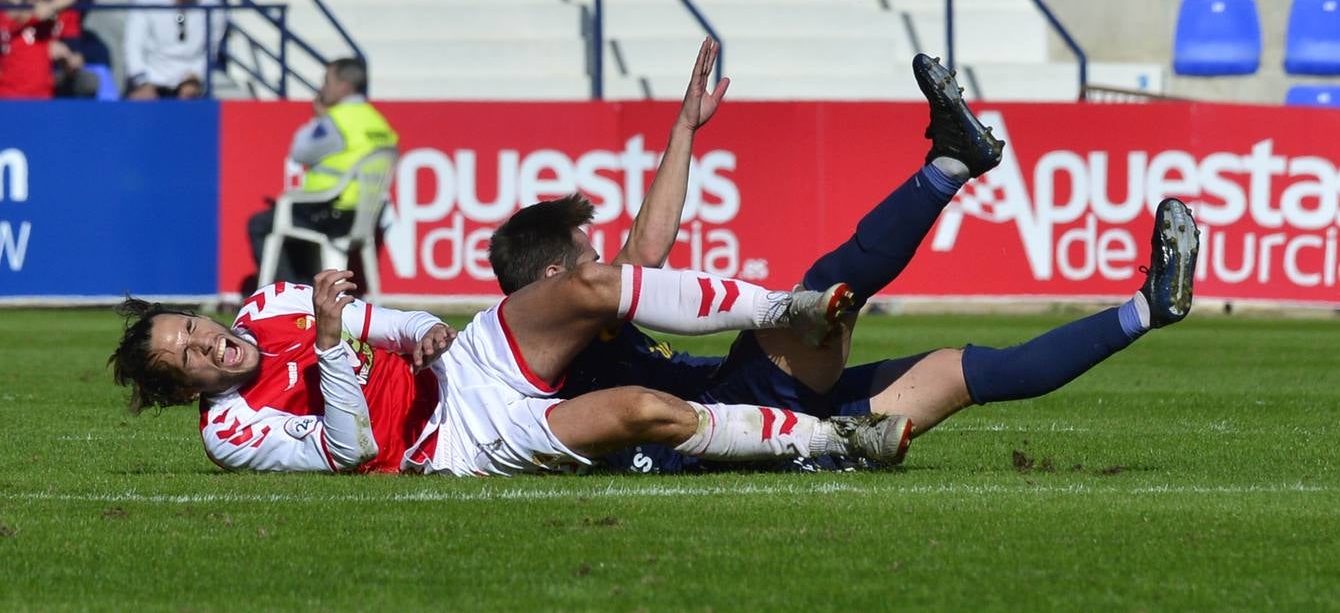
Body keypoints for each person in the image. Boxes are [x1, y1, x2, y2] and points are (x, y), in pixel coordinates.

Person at [491, 50, 1201, 473]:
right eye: (587, 259)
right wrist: (682, 130)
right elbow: (645, 251)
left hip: (752, 409)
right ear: (552, 279)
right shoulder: (553, 343)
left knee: (968, 369)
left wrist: (682, 129)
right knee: (827, 293)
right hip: (734, 413)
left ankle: (1148, 308)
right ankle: (953, 161)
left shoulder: (566, 336)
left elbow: (640, 251)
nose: (605, 269)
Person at [109, 264, 911, 476]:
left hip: (464, 366)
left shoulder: (269, 305)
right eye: (183, 357)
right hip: (458, 442)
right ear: (186, 390)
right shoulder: (231, 434)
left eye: (190, 325)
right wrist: (328, 347)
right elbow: (347, 452)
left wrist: (422, 332)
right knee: (641, 408)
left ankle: (784, 310)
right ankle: (835, 437)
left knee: (591, 287)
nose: (203, 341)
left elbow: (396, 323)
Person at [245, 57, 397, 287]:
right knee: (291, 219)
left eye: (327, 82)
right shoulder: (379, 122)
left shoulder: (337, 120)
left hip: (332, 212)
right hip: (363, 215)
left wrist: (319, 118)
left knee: (262, 223)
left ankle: (292, 297)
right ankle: (306, 288)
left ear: (344, 85)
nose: (322, 89)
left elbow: (299, 152)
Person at [123, 0, 223, 99]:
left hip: (190, 85)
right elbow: (133, 47)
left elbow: (210, 51)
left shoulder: (214, 7)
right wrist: (142, 82)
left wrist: (195, 78)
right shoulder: (146, 0)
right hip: (149, 82)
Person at [0, 0, 87, 100]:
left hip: (42, 97)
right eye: (8, 3)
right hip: (7, 97)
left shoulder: (43, 27)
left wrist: (67, 58)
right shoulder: (5, 23)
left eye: (15, 3)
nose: (9, 9)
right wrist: (47, 8)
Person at [31, 0, 104, 98]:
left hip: (54, 76)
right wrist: (44, 50)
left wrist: (72, 59)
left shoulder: (69, 10)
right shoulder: (15, 2)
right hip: (18, 77)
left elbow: (73, 47)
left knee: (89, 80)